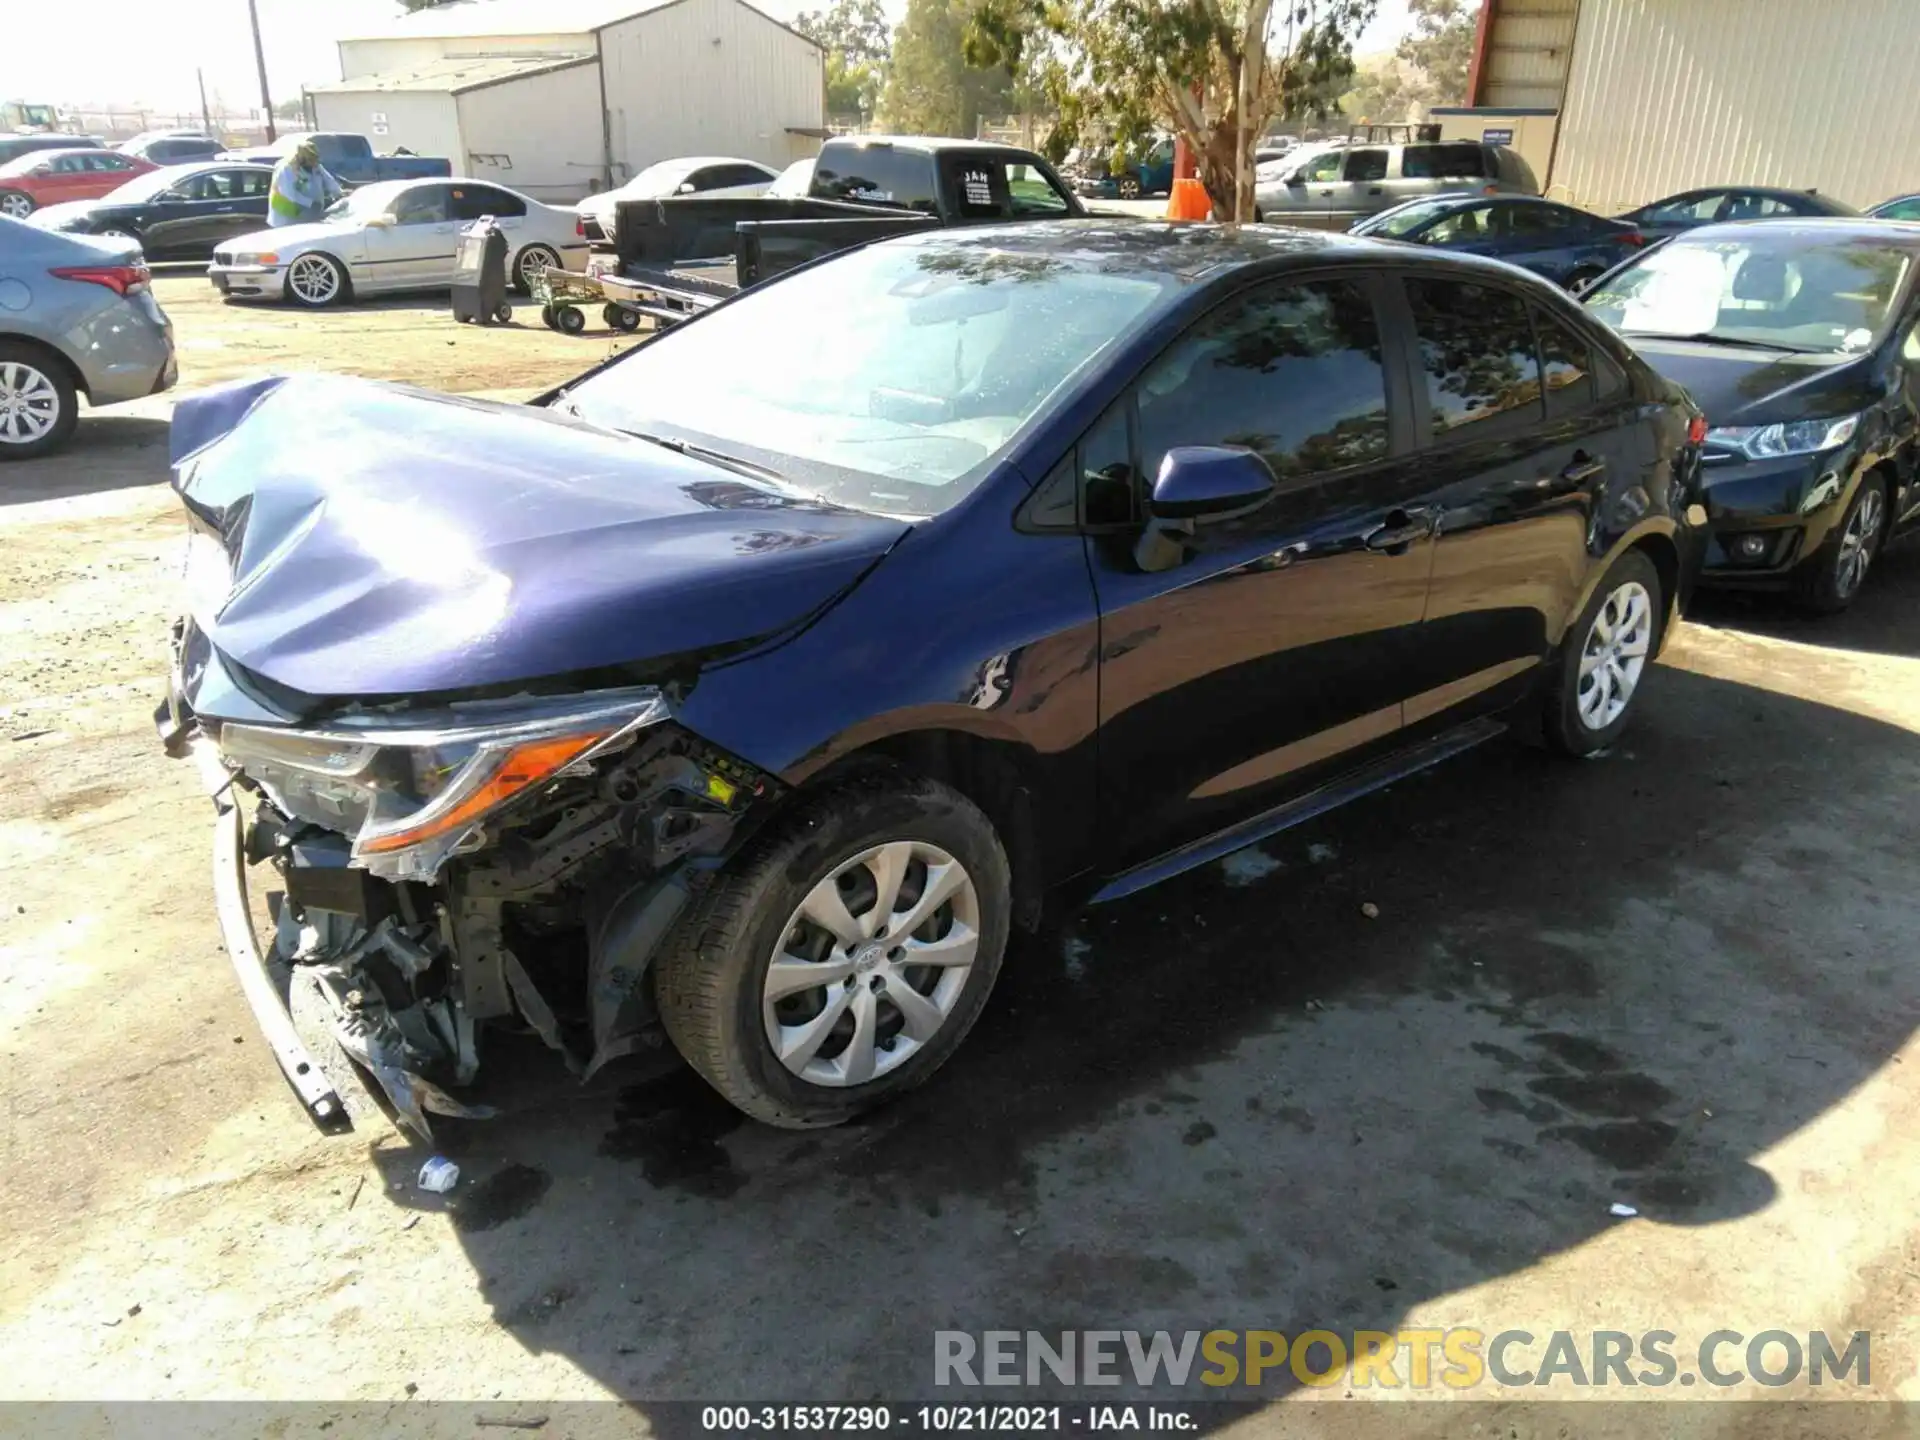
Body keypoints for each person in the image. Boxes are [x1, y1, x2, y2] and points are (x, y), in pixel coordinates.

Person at [268, 141, 342, 227]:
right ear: (302, 159)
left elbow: (329, 181)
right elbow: (290, 194)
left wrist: (339, 192)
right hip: (285, 219)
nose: (314, 164)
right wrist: (311, 203)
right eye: (311, 160)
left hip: (307, 217)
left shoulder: (315, 166)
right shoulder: (287, 169)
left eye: (315, 159)